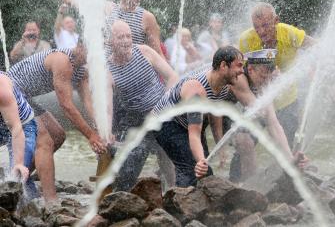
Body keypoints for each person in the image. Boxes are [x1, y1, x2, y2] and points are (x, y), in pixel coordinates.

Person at [7, 43, 106, 201]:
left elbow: (88, 102)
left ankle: (17, 177)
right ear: (80, 47)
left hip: (25, 96)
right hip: (9, 93)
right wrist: (91, 136)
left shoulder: (81, 70)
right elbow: (66, 106)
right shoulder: (63, 60)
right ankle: (51, 202)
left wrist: (101, 130)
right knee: (45, 141)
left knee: (58, 135)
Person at [152, 46, 244, 187]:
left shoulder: (224, 85)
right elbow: (194, 134)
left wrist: (220, 146)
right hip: (166, 123)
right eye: (239, 66)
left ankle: (201, 205)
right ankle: (177, 205)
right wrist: (200, 160)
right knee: (190, 171)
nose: (242, 71)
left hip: (189, 123)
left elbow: (214, 114)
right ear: (224, 66)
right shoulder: (197, 90)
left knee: (204, 173)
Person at [106, 20, 178, 191]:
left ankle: (175, 192)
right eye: (120, 37)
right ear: (109, 40)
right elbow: (107, 106)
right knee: (129, 162)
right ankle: (122, 196)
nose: (126, 40)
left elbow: (172, 77)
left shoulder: (144, 51)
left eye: (128, 36)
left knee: (165, 152)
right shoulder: (107, 69)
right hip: (134, 118)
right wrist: (107, 131)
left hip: (161, 108)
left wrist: (161, 107)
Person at [223, 49, 308, 182]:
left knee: (245, 142)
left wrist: (291, 159)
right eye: (263, 76)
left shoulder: (262, 81)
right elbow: (260, 111)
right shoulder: (239, 78)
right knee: (244, 141)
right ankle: (247, 187)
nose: (266, 81)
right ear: (250, 69)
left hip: (230, 110)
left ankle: (248, 187)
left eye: (270, 76)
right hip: (205, 109)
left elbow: (273, 124)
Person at [239, 2, 315, 147]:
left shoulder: (290, 33)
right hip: (257, 100)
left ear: (276, 21)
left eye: (266, 25)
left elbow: (316, 48)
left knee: (285, 148)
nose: (261, 31)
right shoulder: (246, 40)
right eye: (256, 27)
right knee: (244, 144)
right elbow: (242, 74)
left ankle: (284, 169)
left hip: (286, 101)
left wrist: (314, 68)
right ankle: (238, 170)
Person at [0, 73, 37, 197]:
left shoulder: (1, 88)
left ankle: (31, 208)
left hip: (23, 125)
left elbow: (16, 128)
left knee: (15, 177)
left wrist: (18, 163)